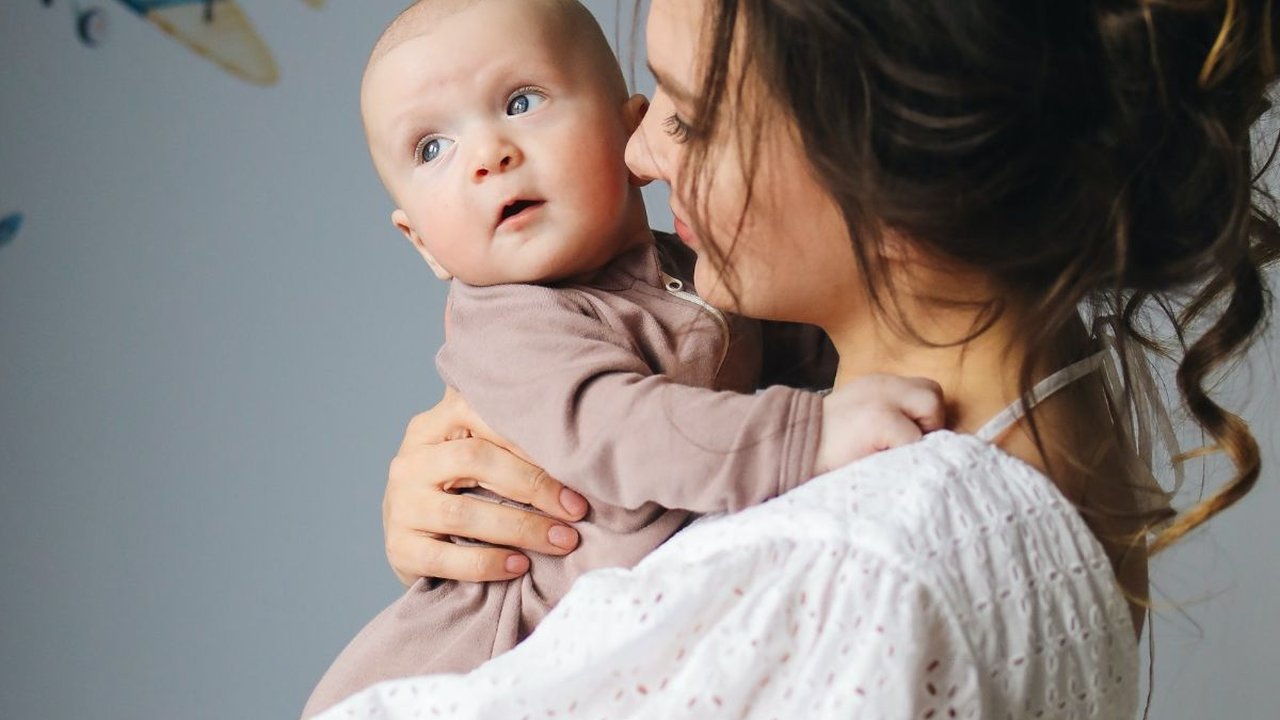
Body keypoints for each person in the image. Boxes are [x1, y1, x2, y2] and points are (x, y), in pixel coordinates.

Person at [323, 0, 1280, 717]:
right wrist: (470, 527)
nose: (642, 154)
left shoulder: (853, 572)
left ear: (892, 176)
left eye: (689, 117)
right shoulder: (1052, 413)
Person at [302, 0, 948, 715]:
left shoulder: (692, 267)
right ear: (420, 241)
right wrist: (812, 434)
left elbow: (792, 346)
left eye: (522, 102)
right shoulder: (511, 326)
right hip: (474, 667)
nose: (489, 156)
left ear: (628, 128)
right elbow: (626, 430)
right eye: (432, 148)